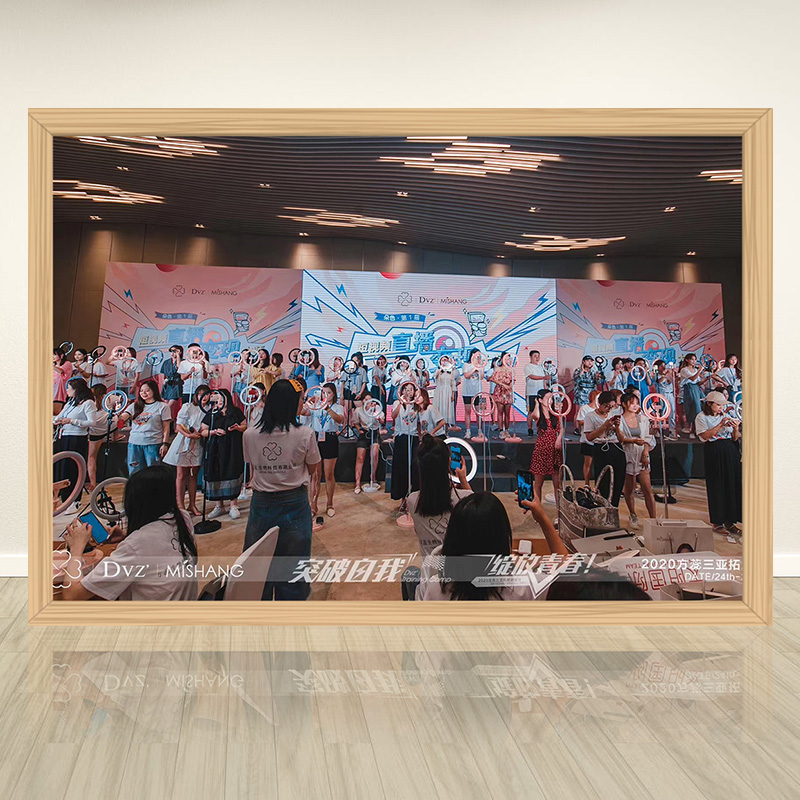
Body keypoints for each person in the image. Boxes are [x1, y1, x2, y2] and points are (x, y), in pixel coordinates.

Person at [61, 464, 198, 601]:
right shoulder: (183, 518)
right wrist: (126, 537)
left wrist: (76, 549)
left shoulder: (137, 545)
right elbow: (157, 546)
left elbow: (72, 595)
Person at [242, 378, 322, 600]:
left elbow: (252, 464)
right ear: (291, 403)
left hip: (261, 503)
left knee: (258, 564)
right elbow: (312, 468)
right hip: (294, 503)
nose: (303, 404)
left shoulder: (249, 434)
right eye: (301, 400)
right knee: (293, 565)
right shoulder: (305, 434)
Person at [419, 492, 535, 601]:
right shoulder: (524, 587)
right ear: (502, 538)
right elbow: (547, 585)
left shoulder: (436, 588)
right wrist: (542, 519)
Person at [407, 435, 472, 560]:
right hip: (458, 569)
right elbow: (477, 509)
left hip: (430, 570)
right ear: (448, 463)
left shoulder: (412, 500)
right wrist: (463, 479)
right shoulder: (464, 498)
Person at [695, 391, 742, 535]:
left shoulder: (726, 415)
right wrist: (720, 425)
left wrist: (735, 428)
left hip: (730, 450)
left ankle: (731, 520)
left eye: (723, 405)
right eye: (718, 405)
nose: (721, 408)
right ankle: (717, 521)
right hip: (714, 450)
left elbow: (735, 438)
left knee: (731, 484)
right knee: (717, 485)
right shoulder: (701, 417)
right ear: (709, 404)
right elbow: (705, 436)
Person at [164, 384, 210, 516]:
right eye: (201, 394)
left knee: (194, 474)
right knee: (181, 474)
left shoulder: (209, 409)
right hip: (184, 442)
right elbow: (178, 426)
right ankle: (180, 505)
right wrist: (188, 435)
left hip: (199, 442)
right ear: (196, 395)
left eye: (206, 394)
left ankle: (192, 504)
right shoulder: (188, 407)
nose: (204, 397)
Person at [201, 389, 247, 520]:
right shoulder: (211, 413)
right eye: (218, 398)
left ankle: (233, 505)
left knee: (232, 471)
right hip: (215, 448)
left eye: (222, 398)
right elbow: (203, 431)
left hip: (232, 447)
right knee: (216, 473)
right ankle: (219, 506)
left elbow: (244, 425)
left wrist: (237, 428)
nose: (220, 401)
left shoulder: (236, 412)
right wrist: (214, 431)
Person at [302, 382, 344, 517]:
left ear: (334, 394)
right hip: (315, 438)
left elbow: (340, 420)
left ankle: (330, 504)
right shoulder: (316, 406)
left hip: (330, 438)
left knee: (329, 474)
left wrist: (327, 409)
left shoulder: (338, 407)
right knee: (315, 475)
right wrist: (306, 402)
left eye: (329, 392)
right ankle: (313, 505)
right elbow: (302, 412)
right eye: (323, 392)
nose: (325, 395)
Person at [53, 377, 97, 503]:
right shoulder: (70, 403)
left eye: (69, 388)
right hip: (63, 436)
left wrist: (72, 421)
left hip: (77, 438)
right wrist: (57, 420)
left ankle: (74, 499)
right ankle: (62, 496)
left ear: (76, 389)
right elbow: (59, 416)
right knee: (63, 467)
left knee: (73, 468)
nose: (67, 391)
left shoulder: (88, 403)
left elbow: (92, 422)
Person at [618, 392, 657, 528]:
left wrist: (645, 453)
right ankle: (633, 514)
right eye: (632, 403)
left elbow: (648, 437)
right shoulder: (620, 420)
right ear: (624, 404)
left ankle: (653, 519)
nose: (635, 406)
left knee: (647, 488)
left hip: (642, 455)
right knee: (629, 488)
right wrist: (633, 441)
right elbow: (620, 438)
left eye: (636, 403)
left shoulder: (643, 419)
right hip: (628, 456)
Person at [118, 379, 172, 476]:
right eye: (141, 391)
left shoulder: (163, 406)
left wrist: (165, 444)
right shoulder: (134, 405)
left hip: (153, 444)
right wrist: (119, 417)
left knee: (153, 473)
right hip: (134, 444)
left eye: (147, 390)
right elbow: (125, 416)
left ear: (154, 391)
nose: (144, 393)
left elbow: (166, 427)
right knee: (135, 473)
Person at [583, 390, 627, 508]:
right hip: (601, 449)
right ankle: (604, 507)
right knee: (603, 481)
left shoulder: (614, 415)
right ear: (599, 403)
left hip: (616, 448)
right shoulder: (590, 416)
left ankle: (614, 507)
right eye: (606, 406)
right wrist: (605, 426)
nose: (608, 409)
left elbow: (621, 439)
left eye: (611, 406)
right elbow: (589, 437)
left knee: (618, 479)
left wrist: (617, 427)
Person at [391, 380, 421, 513]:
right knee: (401, 469)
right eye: (406, 389)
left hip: (413, 438)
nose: (409, 391)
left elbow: (419, 423)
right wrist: (401, 403)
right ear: (402, 391)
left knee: (414, 469)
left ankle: (414, 500)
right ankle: (403, 499)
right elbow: (393, 416)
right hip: (401, 438)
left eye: (411, 389)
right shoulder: (397, 403)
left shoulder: (416, 405)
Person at [529, 388, 563, 505]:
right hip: (542, 450)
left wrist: (559, 439)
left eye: (551, 399)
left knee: (557, 484)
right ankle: (537, 507)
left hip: (555, 450)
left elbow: (561, 428)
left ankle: (559, 510)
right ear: (540, 400)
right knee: (538, 483)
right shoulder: (539, 413)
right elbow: (534, 415)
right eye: (548, 398)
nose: (550, 401)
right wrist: (536, 404)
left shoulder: (555, 414)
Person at [353, 391, 384, 493]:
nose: (368, 401)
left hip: (374, 433)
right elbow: (355, 422)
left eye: (370, 400)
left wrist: (378, 418)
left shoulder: (377, 409)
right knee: (360, 457)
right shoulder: (358, 410)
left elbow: (382, 421)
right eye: (366, 399)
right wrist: (359, 430)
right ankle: (357, 483)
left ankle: (373, 477)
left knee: (374, 453)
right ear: (362, 400)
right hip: (364, 433)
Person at [86, 384, 111, 490]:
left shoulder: (90, 401)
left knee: (91, 457)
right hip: (107, 427)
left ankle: (93, 483)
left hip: (95, 431)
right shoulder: (110, 398)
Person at [679, 353, 706, 438]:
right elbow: (693, 378)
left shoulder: (696, 369)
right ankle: (691, 430)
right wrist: (699, 370)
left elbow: (698, 382)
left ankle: (697, 430)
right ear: (687, 360)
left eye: (695, 359)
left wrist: (707, 378)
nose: (694, 361)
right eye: (692, 359)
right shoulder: (684, 370)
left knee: (699, 409)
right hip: (689, 389)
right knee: (692, 409)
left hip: (697, 389)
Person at [488, 351, 514, 439]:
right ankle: (501, 431)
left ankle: (507, 430)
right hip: (499, 392)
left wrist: (509, 386)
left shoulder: (511, 370)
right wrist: (502, 384)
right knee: (500, 412)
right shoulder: (497, 369)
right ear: (502, 359)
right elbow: (492, 379)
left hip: (508, 393)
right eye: (506, 358)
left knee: (507, 413)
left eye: (508, 359)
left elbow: (513, 380)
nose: (507, 360)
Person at [576, 389, 600, 485]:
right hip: (587, 440)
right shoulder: (584, 409)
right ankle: (587, 483)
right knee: (588, 463)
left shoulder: (600, 410)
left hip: (599, 440)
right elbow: (579, 421)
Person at [461, 348, 485, 438]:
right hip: (467, 392)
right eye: (477, 355)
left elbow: (481, 377)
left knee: (478, 412)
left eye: (479, 355)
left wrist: (480, 367)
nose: (478, 357)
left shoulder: (481, 365)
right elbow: (466, 376)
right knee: (468, 411)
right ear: (472, 355)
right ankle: (468, 431)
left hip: (477, 391)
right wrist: (474, 368)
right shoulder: (466, 365)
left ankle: (480, 431)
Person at [434, 355, 460, 431]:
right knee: (439, 409)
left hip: (448, 391)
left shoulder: (451, 372)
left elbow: (453, 383)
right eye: (443, 360)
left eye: (446, 360)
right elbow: (435, 378)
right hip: (440, 391)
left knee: (447, 410)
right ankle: (438, 429)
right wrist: (440, 370)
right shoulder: (438, 371)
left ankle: (446, 430)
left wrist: (453, 394)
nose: (444, 361)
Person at [524, 350, 547, 436]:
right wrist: (544, 377)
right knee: (531, 411)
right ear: (530, 357)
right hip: (531, 392)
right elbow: (531, 376)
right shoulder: (528, 367)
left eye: (538, 356)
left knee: (541, 411)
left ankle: (539, 428)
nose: (537, 358)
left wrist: (546, 390)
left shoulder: (541, 367)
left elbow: (544, 380)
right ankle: (530, 429)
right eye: (535, 356)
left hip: (540, 393)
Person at [653, 359, 678, 438]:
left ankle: (672, 430)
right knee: (662, 412)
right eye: (661, 366)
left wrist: (673, 374)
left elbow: (671, 381)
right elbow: (659, 381)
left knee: (672, 412)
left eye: (664, 365)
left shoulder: (667, 374)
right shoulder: (656, 375)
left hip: (670, 394)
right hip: (662, 394)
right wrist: (665, 375)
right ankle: (660, 430)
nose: (663, 367)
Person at [160, 345, 184, 423]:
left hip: (176, 384)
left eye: (175, 351)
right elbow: (163, 375)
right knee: (167, 405)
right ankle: (171, 422)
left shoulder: (183, 361)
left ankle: (166, 422)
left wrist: (178, 357)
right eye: (171, 351)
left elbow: (179, 368)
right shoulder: (166, 362)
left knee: (169, 406)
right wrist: (164, 381)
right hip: (168, 384)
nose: (173, 353)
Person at [53, 347, 73, 414]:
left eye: (54, 355)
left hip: (60, 392)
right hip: (52, 389)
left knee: (55, 413)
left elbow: (61, 371)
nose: (52, 357)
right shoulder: (54, 365)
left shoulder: (67, 363)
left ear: (61, 355)